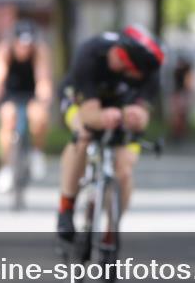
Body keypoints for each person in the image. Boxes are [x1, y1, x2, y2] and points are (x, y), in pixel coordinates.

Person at [55, 24, 165, 243]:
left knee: (124, 170)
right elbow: (89, 114)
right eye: (118, 54)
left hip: (120, 108)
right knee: (83, 135)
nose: (116, 59)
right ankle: (66, 206)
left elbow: (143, 114)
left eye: (124, 62)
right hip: (82, 101)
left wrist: (137, 116)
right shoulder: (90, 53)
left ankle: (112, 229)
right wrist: (102, 117)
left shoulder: (150, 75)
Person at [0, 19, 52, 192]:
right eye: (21, 44)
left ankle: (37, 153)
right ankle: (7, 168)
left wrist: (44, 93)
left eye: (28, 44)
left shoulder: (39, 52)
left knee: (39, 118)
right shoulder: (4, 51)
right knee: (8, 120)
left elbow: (43, 77)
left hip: (31, 92)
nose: (25, 48)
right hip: (10, 93)